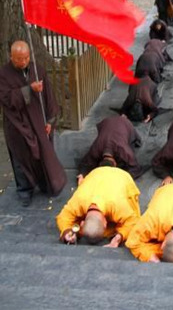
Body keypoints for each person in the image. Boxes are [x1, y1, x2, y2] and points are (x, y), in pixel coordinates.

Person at [0, 40, 67, 206]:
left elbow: (49, 97)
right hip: (17, 125)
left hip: (38, 121)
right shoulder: (3, 74)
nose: (23, 62)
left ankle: (45, 184)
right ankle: (25, 190)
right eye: (18, 59)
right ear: (11, 57)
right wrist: (30, 89)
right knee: (20, 157)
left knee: (43, 153)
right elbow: (7, 99)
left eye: (25, 58)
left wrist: (50, 120)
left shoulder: (38, 70)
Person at [56, 167, 140, 246]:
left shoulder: (117, 204)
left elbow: (133, 220)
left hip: (122, 176)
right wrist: (67, 232)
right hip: (95, 173)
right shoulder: (79, 199)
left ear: (82, 223)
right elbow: (63, 216)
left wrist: (119, 237)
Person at [77, 114, 143, 182]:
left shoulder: (123, 149)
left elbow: (136, 168)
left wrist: (121, 179)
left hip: (125, 123)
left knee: (136, 142)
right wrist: (81, 175)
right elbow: (85, 163)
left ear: (115, 163)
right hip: (107, 122)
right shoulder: (96, 148)